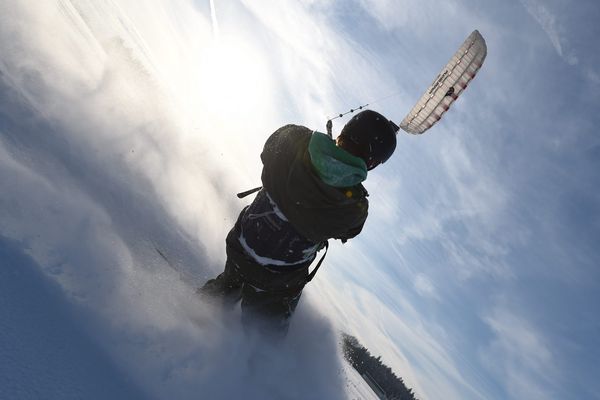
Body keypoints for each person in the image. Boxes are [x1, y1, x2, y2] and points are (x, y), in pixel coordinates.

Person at [200, 109, 398, 336]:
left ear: (345, 130)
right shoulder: (355, 207)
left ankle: (192, 313)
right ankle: (250, 362)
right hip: (277, 282)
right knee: (264, 337)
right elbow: (349, 231)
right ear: (372, 162)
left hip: (240, 247)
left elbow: (269, 150)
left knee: (227, 284)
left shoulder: (295, 138)